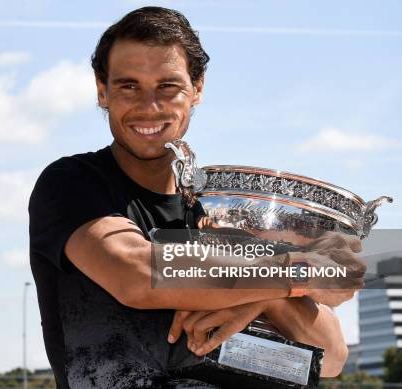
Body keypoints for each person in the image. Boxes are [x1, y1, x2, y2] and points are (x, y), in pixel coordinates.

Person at [29, 6, 364, 389]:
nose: (149, 106)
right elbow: (138, 274)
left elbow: (332, 356)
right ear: (102, 90)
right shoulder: (72, 183)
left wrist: (264, 297)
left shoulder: (216, 213)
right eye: (128, 86)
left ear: (197, 89)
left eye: (167, 87)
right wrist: (296, 271)